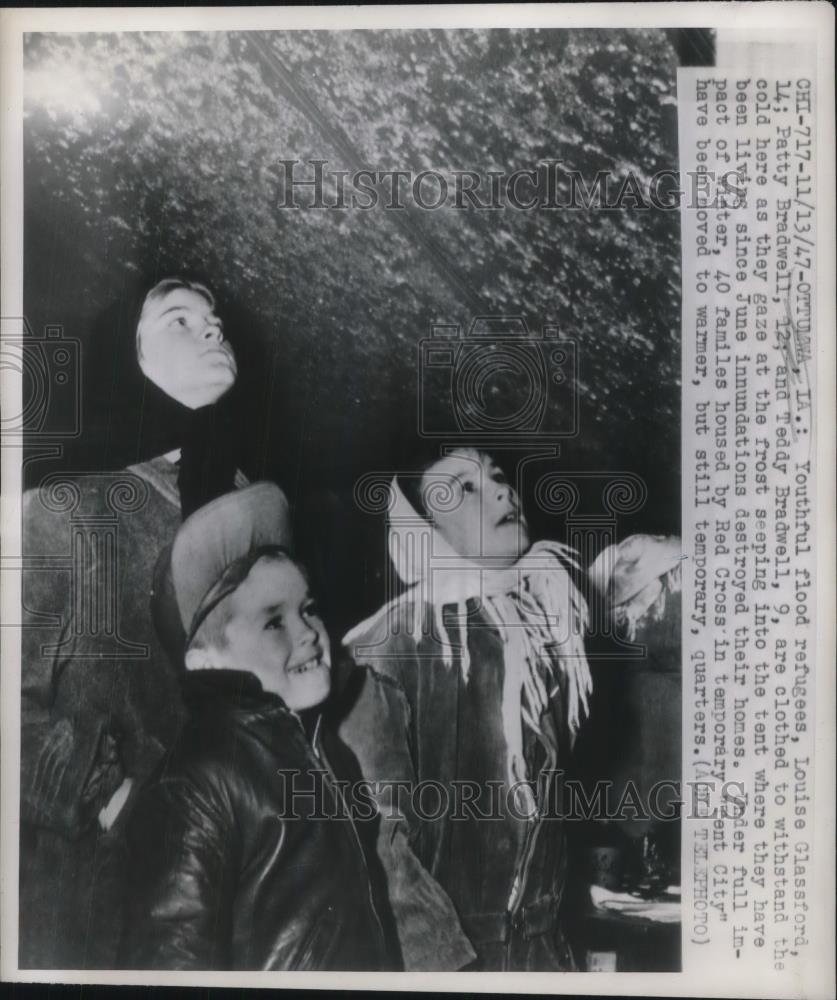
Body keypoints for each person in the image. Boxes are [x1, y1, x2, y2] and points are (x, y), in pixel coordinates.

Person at [19, 277, 247, 968]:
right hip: (87, 910)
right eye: (180, 320)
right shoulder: (62, 510)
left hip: (225, 903)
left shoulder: (251, 515)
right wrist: (107, 797)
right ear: (129, 364)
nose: (212, 329)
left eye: (214, 319)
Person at [337, 447, 593, 971]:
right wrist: (446, 965)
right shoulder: (392, 645)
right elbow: (374, 837)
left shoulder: (539, 631)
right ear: (422, 531)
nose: (503, 490)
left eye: (497, 477)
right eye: (464, 489)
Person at [120, 483, 392, 971]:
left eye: (308, 609)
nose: (308, 631)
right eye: (273, 622)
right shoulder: (196, 783)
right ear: (206, 661)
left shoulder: (330, 755)